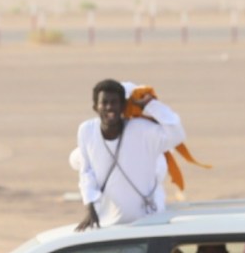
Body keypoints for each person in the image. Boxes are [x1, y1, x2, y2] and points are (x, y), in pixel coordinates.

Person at [72, 79, 185, 231]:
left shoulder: (142, 130)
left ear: (123, 106)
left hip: (148, 221)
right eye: (104, 103)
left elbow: (176, 134)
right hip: (108, 222)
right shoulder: (87, 131)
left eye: (114, 102)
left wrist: (151, 106)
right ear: (95, 107)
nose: (109, 107)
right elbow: (86, 171)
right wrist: (89, 207)